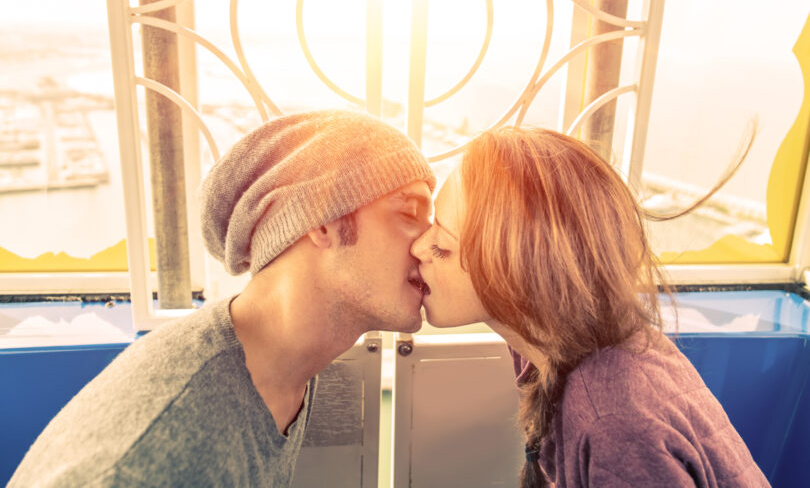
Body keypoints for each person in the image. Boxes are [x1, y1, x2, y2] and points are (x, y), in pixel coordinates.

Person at [8, 109, 435, 488]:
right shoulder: (155, 458)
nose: (428, 242)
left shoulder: (289, 362)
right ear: (321, 221)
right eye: (409, 211)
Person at [411, 126, 770, 488]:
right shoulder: (551, 343)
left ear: (519, 276)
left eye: (442, 245)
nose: (419, 249)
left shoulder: (615, 425)